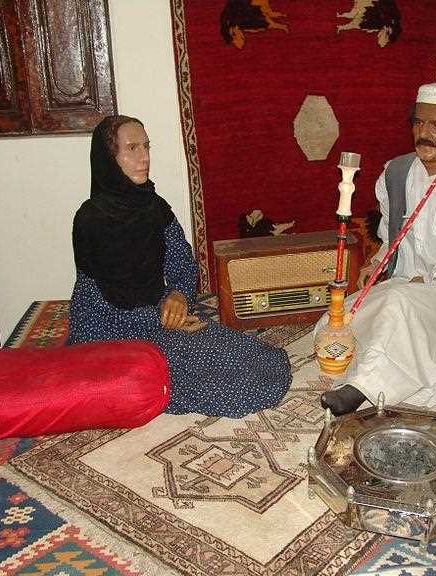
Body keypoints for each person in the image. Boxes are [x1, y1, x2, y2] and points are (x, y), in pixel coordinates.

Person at [68, 115, 292, 418]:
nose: (144, 157)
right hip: (110, 330)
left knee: (257, 359)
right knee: (218, 378)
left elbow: (183, 262)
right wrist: (162, 319)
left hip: (159, 311)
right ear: (109, 158)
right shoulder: (90, 220)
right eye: (131, 148)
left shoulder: (155, 208)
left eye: (146, 146)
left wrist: (179, 296)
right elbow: (96, 304)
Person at [317, 82, 436, 415]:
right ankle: (370, 375)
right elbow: (391, 235)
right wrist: (375, 263)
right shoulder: (395, 171)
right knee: (341, 321)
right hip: (403, 283)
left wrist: (429, 281)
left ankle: (360, 390)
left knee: (397, 305)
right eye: (419, 123)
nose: (425, 133)